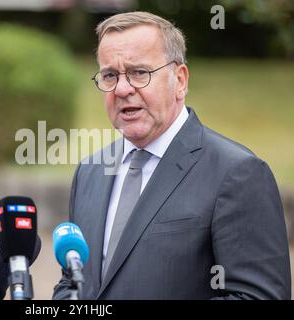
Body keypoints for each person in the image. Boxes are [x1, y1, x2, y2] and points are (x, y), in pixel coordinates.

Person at [53, 11, 291, 300]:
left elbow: (258, 297)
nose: (123, 89)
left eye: (139, 72)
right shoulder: (90, 172)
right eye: (110, 75)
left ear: (179, 80)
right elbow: (72, 283)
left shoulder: (237, 173)